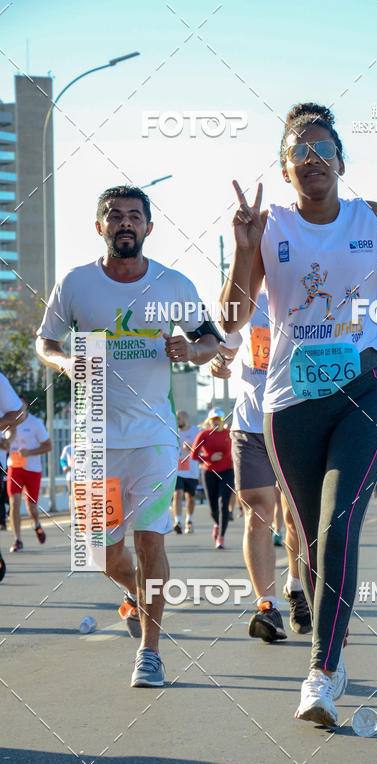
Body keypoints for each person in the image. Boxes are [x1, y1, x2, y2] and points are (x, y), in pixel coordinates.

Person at [220, 100, 377, 726]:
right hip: (292, 402)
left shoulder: (371, 217)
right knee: (311, 535)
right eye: (300, 151)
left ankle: (321, 670)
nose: (312, 159)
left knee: (339, 523)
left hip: (367, 386)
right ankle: (330, 651)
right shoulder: (269, 225)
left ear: (341, 161)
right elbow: (233, 319)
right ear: (285, 168)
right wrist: (242, 248)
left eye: (323, 149)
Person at [36, 185, 219, 687]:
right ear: (100, 227)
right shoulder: (76, 284)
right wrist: (64, 361)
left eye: (134, 216)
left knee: (150, 539)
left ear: (148, 228)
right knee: (103, 553)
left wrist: (192, 351)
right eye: (114, 215)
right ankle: (138, 596)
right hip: (94, 437)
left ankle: (150, 652)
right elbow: (45, 341)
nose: (124, 223)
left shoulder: (172, 284)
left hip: (153, 436)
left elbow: (211, 340)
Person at [210, 291, 311, 639]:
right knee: (258, 513)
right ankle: (267, 607)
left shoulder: (307, 298)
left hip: (295, 424)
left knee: (295, 517)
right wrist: (218, 362)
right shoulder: (246, 302)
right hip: (249, 426)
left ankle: (296, 587)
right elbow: (226, 348)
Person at [5, 398, 52, 552]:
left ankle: (36, 524)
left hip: (33, 470)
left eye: (19, 405)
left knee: (32, 508)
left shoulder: (35, 423)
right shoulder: (7, 423)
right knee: (14, 503)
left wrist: (29, 452)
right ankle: (17, 540)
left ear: (25, 406)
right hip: (14, 468)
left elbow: (48, 446)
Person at [191, 408, 234, 549]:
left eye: (218, 419)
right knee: (213, 507)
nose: (216, 422)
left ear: (222, 420)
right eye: (213, 419)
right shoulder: (204, 434)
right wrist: (209, 457)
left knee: (223, 503)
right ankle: (217, 524)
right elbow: (193, 455)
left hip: (227, 472)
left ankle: (221, 537)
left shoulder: (229, 434)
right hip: (209, 473)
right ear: (209, 421)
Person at [0, 374, 27, 579]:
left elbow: (18, 416)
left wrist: (7, 441)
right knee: (14, 502)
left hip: (28, 469)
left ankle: (19, 536)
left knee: (26, 505)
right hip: (12, 468)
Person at [172, 410, 200, 534]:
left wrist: (192, 449)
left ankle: (189, 520)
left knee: (191, 498)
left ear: (185, 418)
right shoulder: (173, 431)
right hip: (177, 470)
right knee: (177, 494)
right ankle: (177, 522)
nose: (177, 421)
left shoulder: (196, 431)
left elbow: (202, 449)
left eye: (178, 418)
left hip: (192, 470)